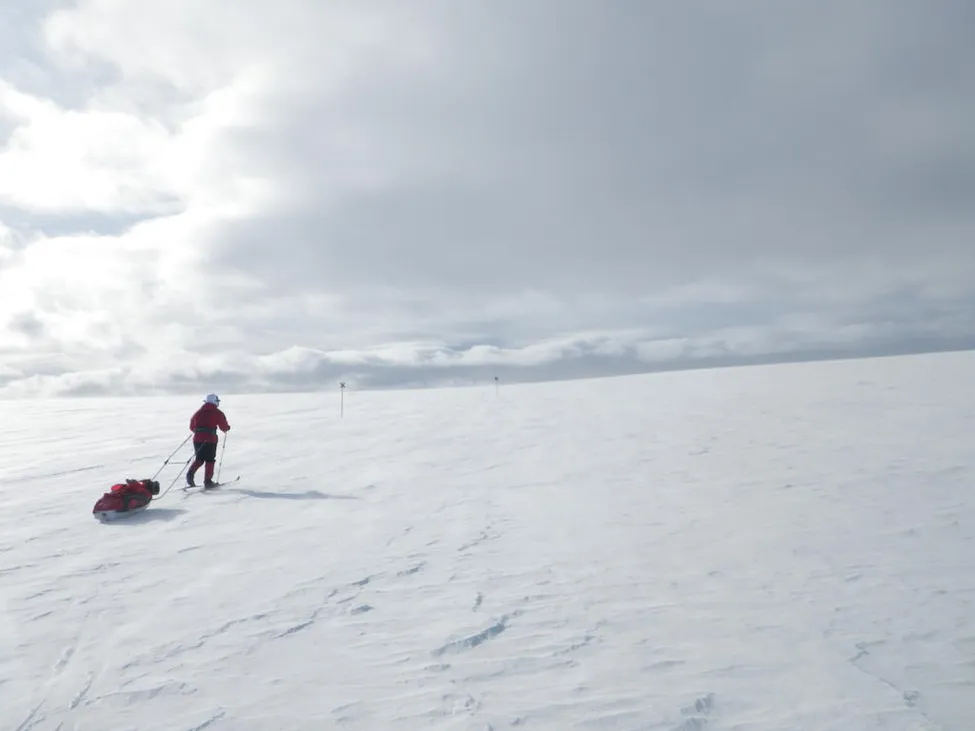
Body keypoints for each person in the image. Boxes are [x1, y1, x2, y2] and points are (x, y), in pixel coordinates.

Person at [186, 393, 231, 487]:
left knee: (199, 459)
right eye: (217, 401)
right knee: (210, 460)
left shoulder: (198, 412)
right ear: (215, 402)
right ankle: (208, 481)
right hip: (210, 440)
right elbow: (224, 427)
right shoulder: (217, 412)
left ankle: (190, 474)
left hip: (197, 439)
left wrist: (199, 432)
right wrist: (227, 428)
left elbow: (191, 426)